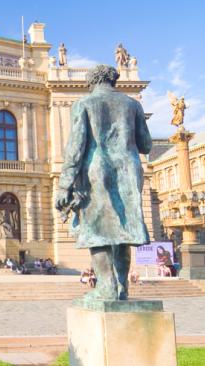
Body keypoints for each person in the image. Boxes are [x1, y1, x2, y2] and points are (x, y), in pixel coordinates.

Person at [55, 64, 152, 301]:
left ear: (91, 81)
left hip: (96, 172)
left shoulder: (84, 104)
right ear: (113, 80)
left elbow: (76, 148)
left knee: (97, 231)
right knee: (123, 231)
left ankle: (106, 287)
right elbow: (146, 145)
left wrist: (65, 184)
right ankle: (122, 287)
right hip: (129, 172)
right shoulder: (133, 104)